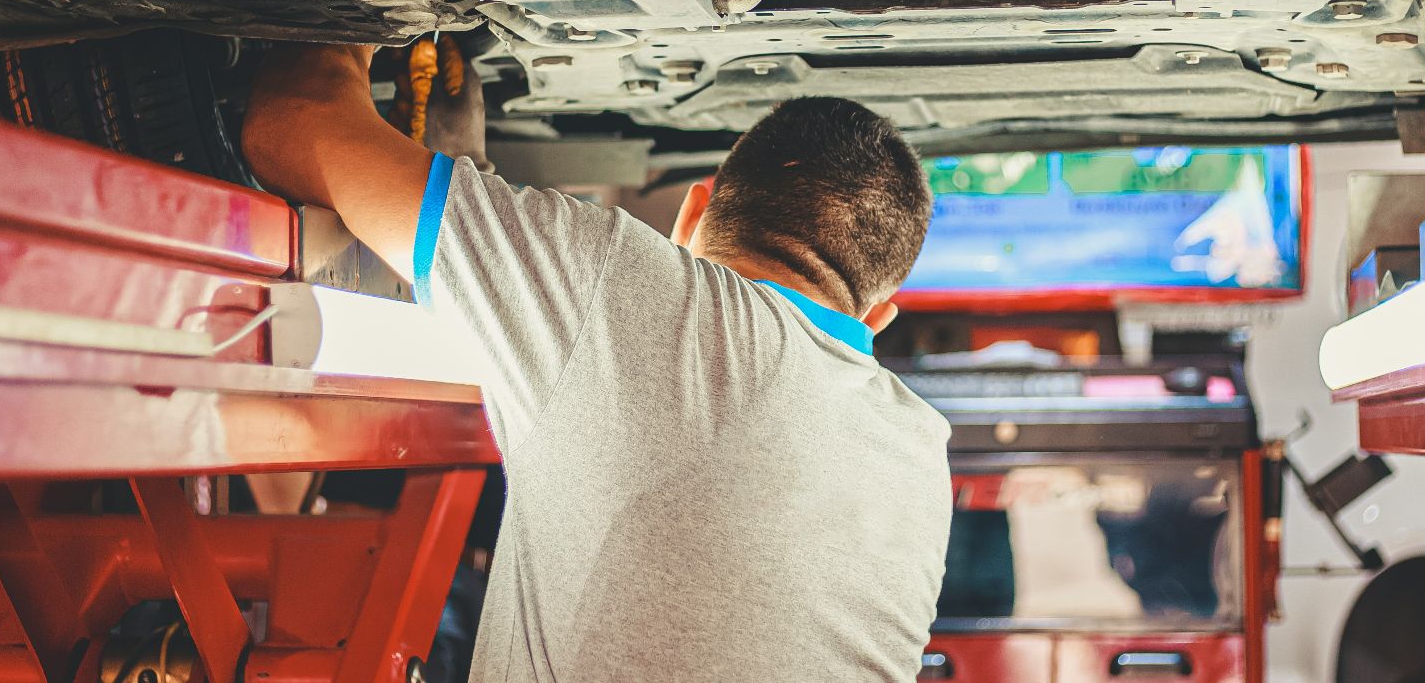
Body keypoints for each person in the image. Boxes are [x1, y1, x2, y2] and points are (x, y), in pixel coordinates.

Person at [241, 43, 952, 683]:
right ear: (875, 318)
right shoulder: (922, 458)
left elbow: (292, 122)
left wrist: (363, 21)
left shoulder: (627, 289)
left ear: (692, 213)